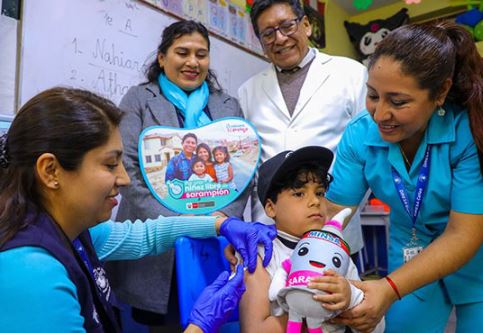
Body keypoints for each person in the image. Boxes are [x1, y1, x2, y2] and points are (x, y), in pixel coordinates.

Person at [0, 88, 276, 333]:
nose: (125, 178)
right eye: (110, 165)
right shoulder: (33, 276)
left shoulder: (73, 234)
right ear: (51, 171)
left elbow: (147, 235)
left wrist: (221, 225)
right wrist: (200, 327)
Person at [325, 22, 483, 333]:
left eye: (398, 101)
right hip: (410, 249)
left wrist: (389, 289)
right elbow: (332, 215)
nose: (379, 114)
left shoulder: (474, 134)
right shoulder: (360, 135)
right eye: (373, 95)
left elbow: (463, 235)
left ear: (440, 92)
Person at [105, 20, 252, 325]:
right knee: (163, 324)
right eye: (182, 52)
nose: (192, 62)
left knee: (215, 316)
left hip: (215, 238)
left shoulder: (227, 106)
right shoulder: (139, 99)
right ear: (162, 57)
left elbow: (243, 170)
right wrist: (181, 223)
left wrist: (217, 221)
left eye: (201, 54)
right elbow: (127, 166)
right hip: (153, 247)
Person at [238, 0, 367, 258]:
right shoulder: (247, 92)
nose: (280, 38)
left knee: (338, 297)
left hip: (334, 228)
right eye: (268, 33)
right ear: (261, 41)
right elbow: (247, 167)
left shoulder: (351, 74)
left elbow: (367, 152)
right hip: (270, 234)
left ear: (306, 25)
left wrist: (341, 213)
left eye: (287, 26)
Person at [239, 146, 385, 333]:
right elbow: (254, 330)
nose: (315, 201)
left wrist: (350, 298)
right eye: (299, 194)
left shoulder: (337, 251)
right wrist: (314, 310)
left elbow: (376, 326)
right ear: (270, 208)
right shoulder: (259, 254)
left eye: (320, 193)